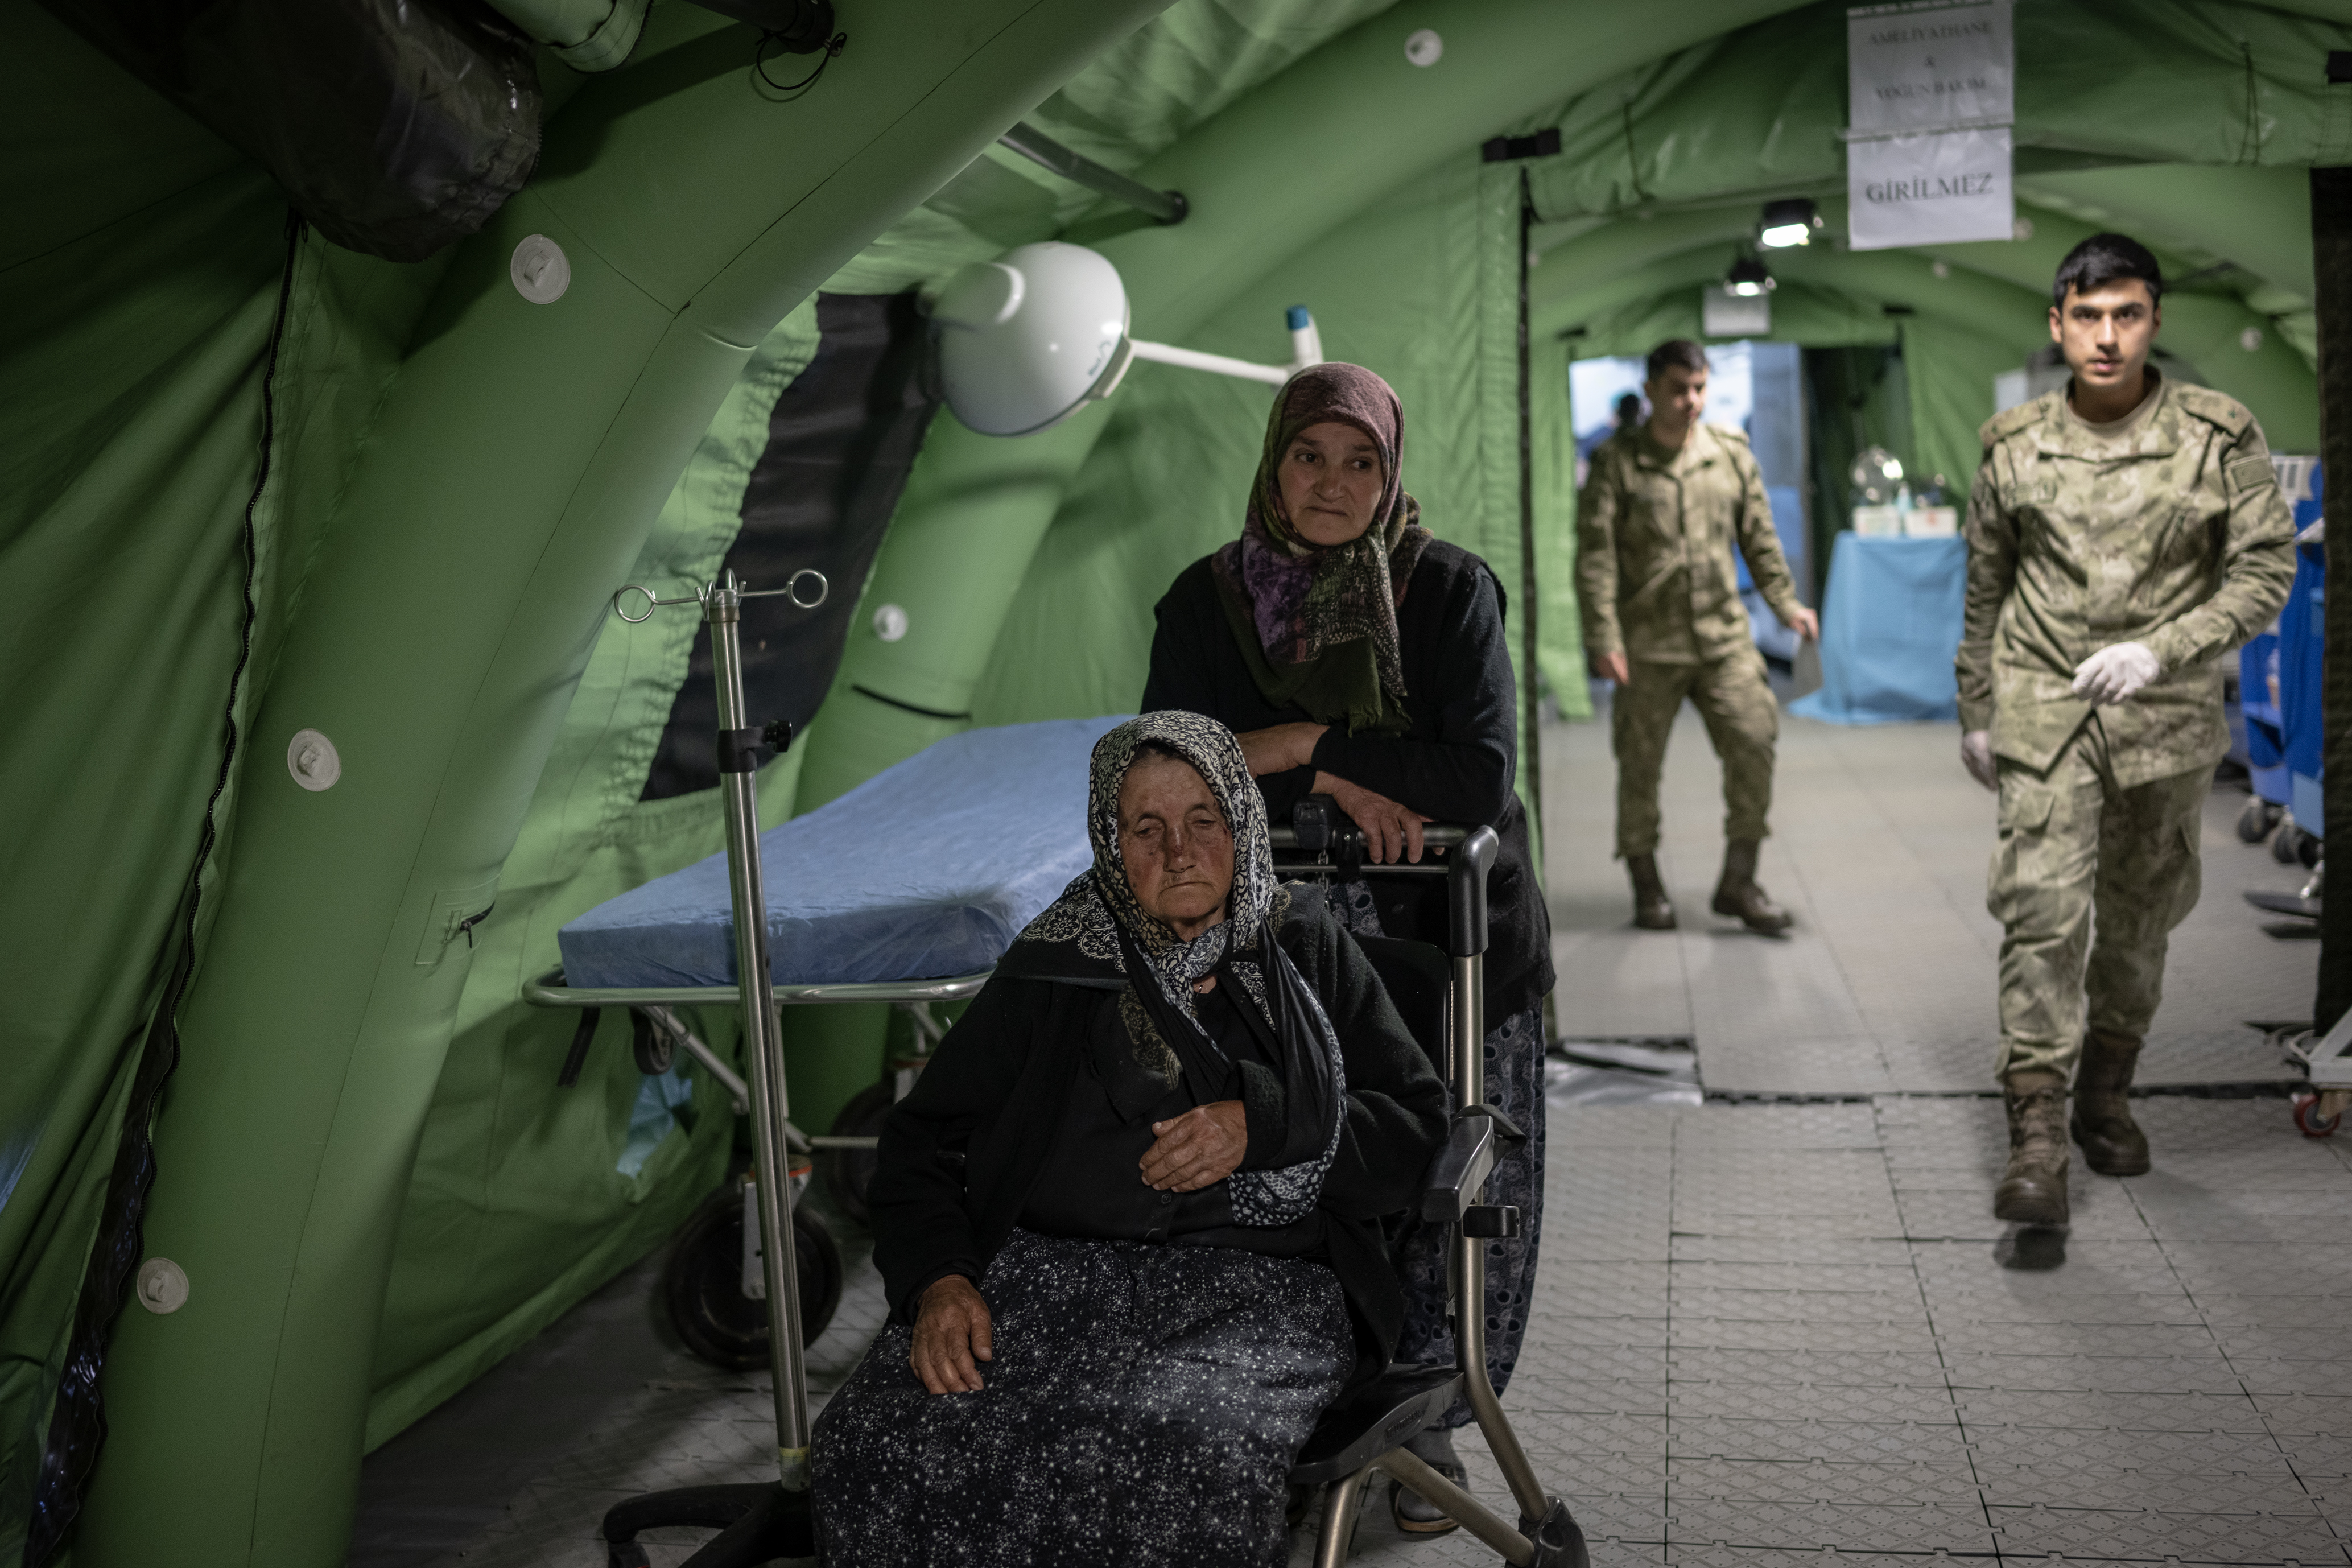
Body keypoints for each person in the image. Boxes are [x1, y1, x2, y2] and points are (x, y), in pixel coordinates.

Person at [812, 713, 1449, 1567]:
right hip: (1045, 1282)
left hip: (1260, 1291)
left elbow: (1416, 1128)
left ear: (1241, 823)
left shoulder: (1303, 946)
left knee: (1185, 1454)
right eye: (1145, 829)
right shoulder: (1054, 963)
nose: (1178, 851)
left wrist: (1261, 1125)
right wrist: (939, 1280)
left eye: (1202, 821)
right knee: (880, 1442)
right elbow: (922, 1140)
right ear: (1108, 844)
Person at [1138, 361, 1550, 1536]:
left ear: (1390, 473)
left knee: (1441, 1180)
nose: (1331, 483)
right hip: (1274, 948)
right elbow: (1174, 770)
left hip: (1449, 942)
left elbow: (1474, 778)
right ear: (1272, 464)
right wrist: (1348, 770)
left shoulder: (1448, 592)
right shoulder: (1204, 600)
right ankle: (1287, 1407)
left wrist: (1302, 744)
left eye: (1358, 461)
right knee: (1292, 1175)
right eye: (1308, 457)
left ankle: (1424, 1423)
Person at [1958, 232, 2294, 1227]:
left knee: (2138, 926)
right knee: (2039, 915)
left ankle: (2106, 1094)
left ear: (2151, 319)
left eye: (2127, 314)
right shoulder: (2010, 442)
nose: (2106, 337)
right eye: (2087, 316)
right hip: (2042, 708)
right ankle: (2035, 1138)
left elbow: (2262, 571)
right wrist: (1974, 706)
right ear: (2055, 323)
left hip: (2162, 716)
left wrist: (2164, 648)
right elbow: (1984, 584)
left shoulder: (2215, 432)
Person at [1575, 339, 1820, 934]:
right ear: (1653, 388)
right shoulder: (1619, 463)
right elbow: (1597, 557)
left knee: (1754, 739)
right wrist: (1603, 636)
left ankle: (1739, 879)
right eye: (1680, 389)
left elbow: (1759, 538)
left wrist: (1786, 603)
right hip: (1647, 645)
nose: (1692, 401)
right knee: (1639, 765)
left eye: (1700, 388)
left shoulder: (1730, 454)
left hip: (1723, 637)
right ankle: (1646, 883)